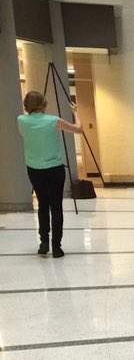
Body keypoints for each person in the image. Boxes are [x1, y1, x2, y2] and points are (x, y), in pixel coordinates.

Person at [17, 91, 83, 258]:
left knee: (43, 204)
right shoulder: (54, 121)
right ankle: (57, 247)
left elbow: (24, 135)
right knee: (56, 206)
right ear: (43, 104)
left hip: (34, 169)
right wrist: (76, 112)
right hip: (54, 168)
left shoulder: (21, 120)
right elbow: (79, 129)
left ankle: (44, 242)